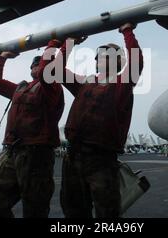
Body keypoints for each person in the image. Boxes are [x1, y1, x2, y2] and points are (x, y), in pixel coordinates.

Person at [57, 22, 143, 218]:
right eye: (100, 56)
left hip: (101, 159)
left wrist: (127, 31)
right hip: (73, 156)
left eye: (108, 56)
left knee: (107, 214)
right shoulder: (84, 83)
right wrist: (68, 43)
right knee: (73, 211)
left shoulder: (123, 83)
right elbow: (57, 69)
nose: (101, 58)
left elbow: (136, 61)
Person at [0, 40, 64, 218]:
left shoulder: (52, 88)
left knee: (35, 208)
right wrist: (2, 57)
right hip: (12, 151)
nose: (37, 66)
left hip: (36, 153)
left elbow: (46, 72)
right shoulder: (20, 88)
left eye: (41, 64)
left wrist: (52, 44)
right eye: (34, 64)